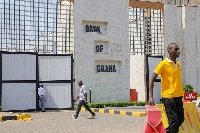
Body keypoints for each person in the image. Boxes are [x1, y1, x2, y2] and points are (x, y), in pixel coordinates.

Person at [148, 43, 184, 133]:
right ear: (169, 51)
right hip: (169, 97)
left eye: (178, 49)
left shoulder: (178, 64)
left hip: (178, 96)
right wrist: (150, 97)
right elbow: (151, 78)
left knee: (180, 119)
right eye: (175, 49)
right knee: (174, 121)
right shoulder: (163, 64)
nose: (178, 51)